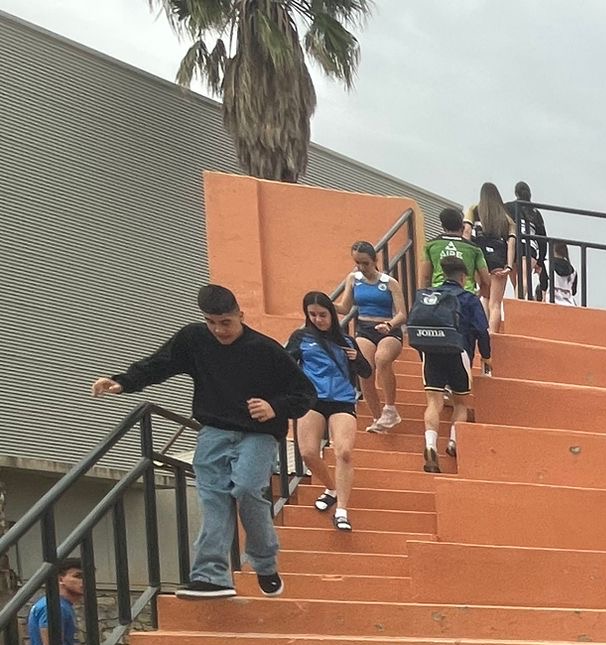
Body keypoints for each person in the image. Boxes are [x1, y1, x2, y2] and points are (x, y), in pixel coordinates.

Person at [92, 284, 310, 600]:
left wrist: (275, 406)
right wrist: (122, 382)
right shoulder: (194, 339)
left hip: (258, 434)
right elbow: (160, 364)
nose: (219, 330)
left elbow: (305, 393)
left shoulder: (266, 350)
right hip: (213, 431)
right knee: (213, 499)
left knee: (247, 489)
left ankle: (264, 564)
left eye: (226, 323)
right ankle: (211, 577)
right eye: (211, 322)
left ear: (240, 316)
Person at [405, 253, 492, 474]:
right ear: (463, 277)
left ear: (443, 274)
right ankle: (453, 441)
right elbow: (482, 330)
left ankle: (430, 444)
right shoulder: (469, 299)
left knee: (434, 402)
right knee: (460, 403)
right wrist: (486, 356)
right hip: (459, 352)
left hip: (431, 352)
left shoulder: (429, 296)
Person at [283, 292, 361, 532]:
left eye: (323, 314)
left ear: (332, 314)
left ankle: (342, 511)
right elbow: (286, 365)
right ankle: (332, 488)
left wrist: (356, 359)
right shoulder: (301, 337)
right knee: (307, 452)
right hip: (312, 399)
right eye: (313, 315)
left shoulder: (347, 341)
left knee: (344, 451)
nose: (318, 319)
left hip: (342, 400)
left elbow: (366, 371)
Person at [339, 241, 402, 433]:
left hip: (388, 329)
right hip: (365, 327)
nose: (361, 267)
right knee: (364, 368)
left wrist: (389, 325)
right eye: (357, 263)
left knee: (382, 358)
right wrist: (324, 304)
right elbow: (345, 308)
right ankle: (377, 417)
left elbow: (402, 314)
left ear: (375, 260)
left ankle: (390, 409)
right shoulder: (353, 279)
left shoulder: (389, 282)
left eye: (365, 263)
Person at [467, 183, 515, 331]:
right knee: (495, 304)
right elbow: (511, 243)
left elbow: (466, 231)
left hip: (479, 256)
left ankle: (480, 331)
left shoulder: (474, 210)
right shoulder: (506, 218)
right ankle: (492, 335)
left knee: (483, 296)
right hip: (498, 259)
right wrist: (509, 265)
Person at [423, 206, 486, 296]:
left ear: (443, 227)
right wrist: (476, 296)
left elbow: (425, 277)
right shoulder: (474, 248)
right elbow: (485, 280)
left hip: (439, 294)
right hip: (465, 295)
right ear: (462, 227)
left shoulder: (430, 245)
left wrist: (426, 296)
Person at [507, 181, 548, 299]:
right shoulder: (535, 212)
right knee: (523, 278)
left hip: (513, 245)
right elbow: (542, 238)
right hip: (530, 247)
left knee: (516, 282)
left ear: (516, 193)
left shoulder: (508, 207)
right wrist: (540, 261)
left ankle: (517, 301)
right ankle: (518, 302)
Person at [547, 240, 579, 305]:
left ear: (552, 251)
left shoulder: (547, 264)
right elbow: (573, 292)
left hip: (551, 303)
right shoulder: (573, 270)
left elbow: (543, 286)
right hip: (569, 304)